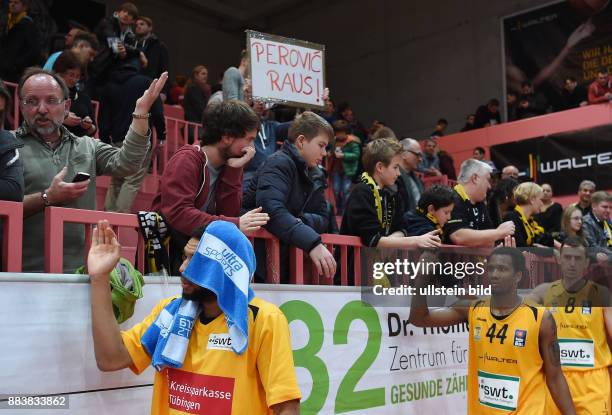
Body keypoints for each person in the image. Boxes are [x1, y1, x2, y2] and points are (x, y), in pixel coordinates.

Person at [87, 219, 301, 414]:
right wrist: (99, 278)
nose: (182, 268)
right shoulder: (170, 311)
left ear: (224, 267)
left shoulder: (265, 319)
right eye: (184, 258)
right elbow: (111, 358)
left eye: (196, 261)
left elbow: (286, 407)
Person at [17, 68, 165, 272]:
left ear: (66, 105)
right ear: (21, 106)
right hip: (22, 272)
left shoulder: (87, 146)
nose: (42, 109)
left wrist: (140, 113)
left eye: (51, 101)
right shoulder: (8, 148)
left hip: (82, 271)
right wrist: (47, 197)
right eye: (32, 101)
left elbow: (128, 162)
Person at [409, 244, 577, 414]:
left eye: (502, 269)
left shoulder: (541, 318)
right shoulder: (473, 309)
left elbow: (555, 378)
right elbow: (419, 319)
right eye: (491, 269)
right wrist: (422, 277)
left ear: (517, 276)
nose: (494, 275)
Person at [152, 100, 268, 275]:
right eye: (249, 140)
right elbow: (178, 213)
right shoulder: (187, 159)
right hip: (170, 257)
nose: (251, 149)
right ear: (227, 136)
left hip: (197, 257)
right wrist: (234, 225)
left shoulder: (229, 165)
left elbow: (229, 211)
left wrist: (234, 170)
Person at [243, 111, 336, 283]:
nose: (324, 153)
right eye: (321, 145)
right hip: (258, 267)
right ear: (301, 141)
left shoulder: (315, 174)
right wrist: (312, 243)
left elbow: (324, 217)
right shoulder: (278, 163)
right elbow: (271, 211)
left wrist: (299, 220)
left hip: (284, 262)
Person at [528, 236, 611, 415]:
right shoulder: (543, 292)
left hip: (592, 384)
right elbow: (515, 307)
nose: (572, 263)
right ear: (559, 259)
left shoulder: (602, 294)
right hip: (556, 380)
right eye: (567, 257)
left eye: (577, 258)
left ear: (586, 262)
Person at [340, 138, 441, 249]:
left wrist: (390, 241)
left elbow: (401, 228)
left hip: (377, 263)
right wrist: (415, 241)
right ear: (380, 167)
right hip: (353, 264)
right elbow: (372, 240)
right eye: (395, 167)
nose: (398, 173)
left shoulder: (392, 193)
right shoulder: (362, 192)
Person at [103, 63, 167, 214]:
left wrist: (105, 139)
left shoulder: (109, 85)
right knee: (132, 181)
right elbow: (157, 111)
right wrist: (162, 135)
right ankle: (119, 218)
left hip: (116, 139)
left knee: (116, 180)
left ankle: (106, 216)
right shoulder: (145, 82)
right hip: (140, 139)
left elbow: (104, 117)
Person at [444, 159, 515, 246]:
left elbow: (489, 238)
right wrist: (499, 232)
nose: (489, 186)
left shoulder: (480, 203)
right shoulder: (452, 198)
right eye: (487, 179)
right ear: (475, 178)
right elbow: (458, 236)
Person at [53, 50, 97, 137]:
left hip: (78, 145)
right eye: (71, 75)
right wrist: (62, 119)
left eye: (78, 76)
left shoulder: (84, 98)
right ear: (60, 73)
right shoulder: (48, 94)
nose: (74, 80)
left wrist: (88, 126)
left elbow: (93, 130)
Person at [0, 0, 41, 82]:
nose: (12, 5)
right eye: (11, 2)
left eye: (16, 2)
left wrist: (15, 65)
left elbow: (34, 50)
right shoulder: (7, 22)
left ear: (24, 7)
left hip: (16, 74)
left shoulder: (27, 25)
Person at [503, 182, 553, 248]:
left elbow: (549, 241)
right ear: (532, 200)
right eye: (541, 200)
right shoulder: (511, 218)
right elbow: (520, 249)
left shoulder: (532, 220)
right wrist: (539, 250)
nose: (542, 204)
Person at [133, 16, 169, 99]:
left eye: (142, 24)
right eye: (137, 24)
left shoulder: (159, 46)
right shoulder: (133, 45)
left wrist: (163, 91)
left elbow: (164, 69)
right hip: (134, 85)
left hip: (150, 87)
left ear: (150, 28)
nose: (138, 26)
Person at [330, 119, 360, 214]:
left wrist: (344, 155)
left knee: (346, 190)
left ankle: (345, 210)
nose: (339, 135)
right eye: (337, 133)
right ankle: (339, 208)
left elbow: (356, 155)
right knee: (336, 189)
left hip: (348, 170)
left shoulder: (352, 142)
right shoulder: (334, 141)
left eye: (341, 133)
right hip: (336, 169)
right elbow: (331, 151)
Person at [182, 65, 211, 142]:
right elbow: (200, 108)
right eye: (203, 74)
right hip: (195, 127)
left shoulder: (198, 88)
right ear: (196, 75)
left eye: (206, 74)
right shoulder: (193, 88)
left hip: (196, 127)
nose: (206, 76)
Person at [582, 191, 612, 263]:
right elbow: (593, 248)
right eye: (605, 207)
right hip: (596, 263)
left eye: (610, 207)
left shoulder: (606, 219)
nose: (608, 211)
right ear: (594, 206)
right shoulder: (585, 223)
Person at [396, 138, 425, 213]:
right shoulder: (393, 178)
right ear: (404, 153)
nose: (420, 159)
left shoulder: (417, 179)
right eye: (417, 155)